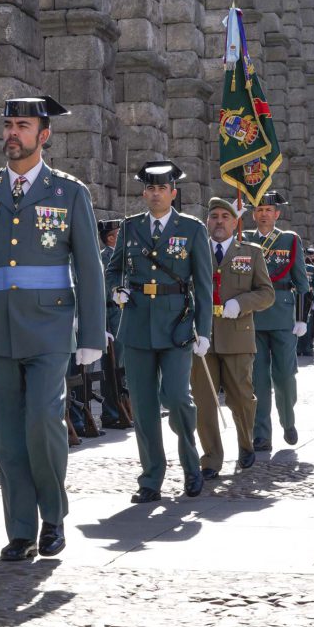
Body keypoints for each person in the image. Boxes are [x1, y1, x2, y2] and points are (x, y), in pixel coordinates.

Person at [0, 95, 105, 561]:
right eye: (9, 124)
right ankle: (20, 530)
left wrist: (92, 334)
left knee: (42, 421)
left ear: (44, 135)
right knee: (8, 433)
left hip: (51, 326)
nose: (12, 133)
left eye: (23, 125)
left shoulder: (68, 192)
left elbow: (89, 266)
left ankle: (53, 518)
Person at [106, 160, 211, 504]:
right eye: (150, 188)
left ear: (173, 193)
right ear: (143, 192)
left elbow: (204, 285)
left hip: (176, 324)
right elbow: (114, 268)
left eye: (161, 189)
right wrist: (115, 290)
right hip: (136, 324)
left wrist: (204, 330)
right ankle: (151, 477)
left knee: (179, 398)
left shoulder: (192, 228)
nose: (155, 194)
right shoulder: (130, 226)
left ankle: (192, 468)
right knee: (144, 405)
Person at [190, 198, 274, 479]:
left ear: (236, 222)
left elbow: (267, 293)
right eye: (214, 216)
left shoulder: (250, 253)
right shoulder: (195, 250)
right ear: (207, 222)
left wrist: (241, 303)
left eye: (226, 216)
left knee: (241, 398)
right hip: (202, 337)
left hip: (237, 335)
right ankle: (211, 459)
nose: (219, 221)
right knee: (204, 401)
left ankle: (246, 442)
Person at [241, 191, 309, 451]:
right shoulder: (244, 239)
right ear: (252, 214)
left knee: (284, 376)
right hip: (254, 316)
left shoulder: (289, 240)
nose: (263, 214)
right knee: (257, 379)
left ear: (277, 214)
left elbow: (302, 283)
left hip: (282, 314)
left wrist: (301, 318)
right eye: (258, 210)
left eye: (268, 210)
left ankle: (288, 420)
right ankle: (261, 433)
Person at [98, 219, 130, 429]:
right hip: (111, 315)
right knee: (112, 367)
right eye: (119, 234)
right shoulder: (106, 258)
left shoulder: (121, 257)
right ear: (111, 238)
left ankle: (124, 408)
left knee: (123, 367)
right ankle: (111, 412)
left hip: (122, 314)